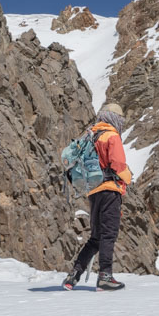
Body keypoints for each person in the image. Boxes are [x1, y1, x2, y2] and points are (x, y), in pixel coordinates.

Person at [63, 103, 132, 291]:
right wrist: (128, 177)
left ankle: (73, 275)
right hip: (110, 190)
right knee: (108, 233)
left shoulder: (90, 134)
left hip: (93, 191)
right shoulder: (111, 135)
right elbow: (118, 164)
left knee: (95, 237)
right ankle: (105, 277)